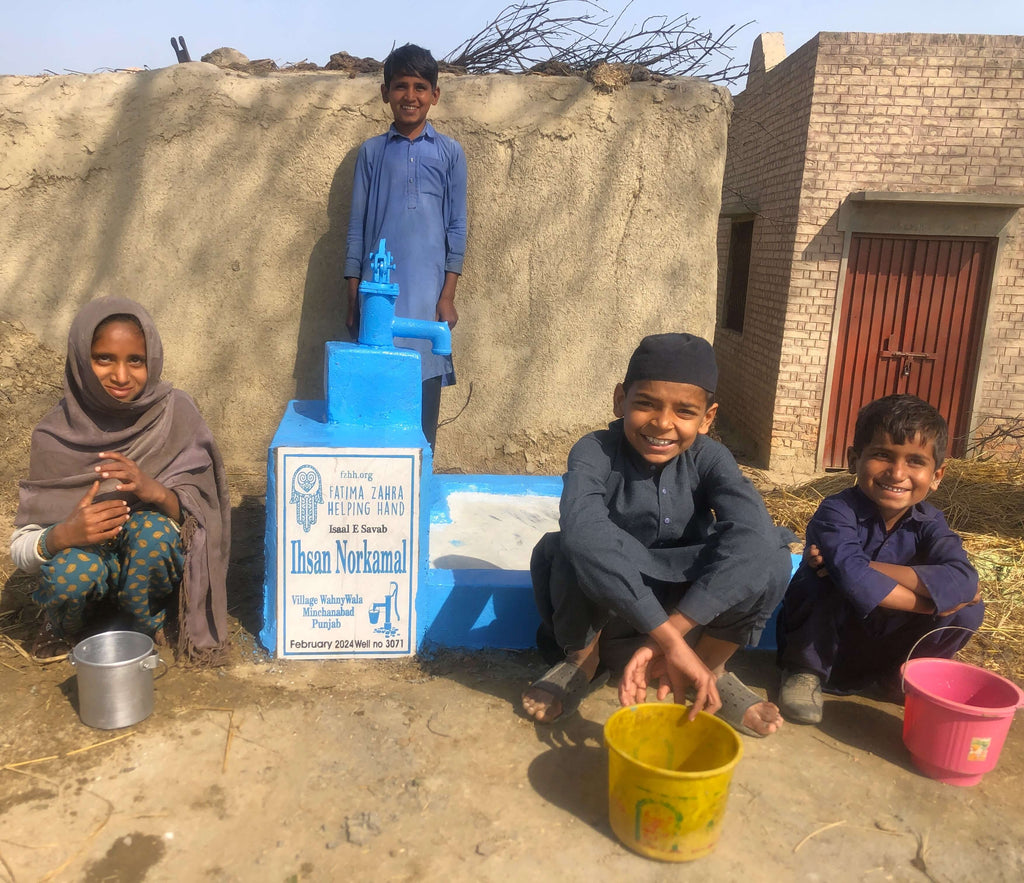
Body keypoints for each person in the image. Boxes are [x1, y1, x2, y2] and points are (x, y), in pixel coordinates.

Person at [522, 333, 796, 736]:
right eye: (646, 403)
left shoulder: (712, 457)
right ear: (620, 400)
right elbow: (585, 532)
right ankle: (583, 660)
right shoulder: (594, 449)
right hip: (612, 602)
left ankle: (709, 666)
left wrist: (670, 639)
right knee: (571, 543)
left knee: (770, 551)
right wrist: (669, 638)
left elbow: (751, 533)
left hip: (684, 605)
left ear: (707, 418)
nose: (662, 423)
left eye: (684, 411)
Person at [10, 297, 231, 663]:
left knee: (153, 534)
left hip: (146, 572)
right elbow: (20, 548)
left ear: (152, 361)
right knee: (71, 573)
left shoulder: (176, 414)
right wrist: (61, 536)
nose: (122, 376)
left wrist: (156, 492)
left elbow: (204, 517)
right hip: (85, 562)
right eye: (104, 359)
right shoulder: (53, 435)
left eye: (136, 361)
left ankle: (144, 622)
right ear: (81, 359)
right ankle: (65, 625)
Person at [777, 394, 984, 724]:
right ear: (853, 459)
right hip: (826, 644)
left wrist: (869, 566)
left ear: (937, 475)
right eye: (883, 455)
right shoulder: (837, 511)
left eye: (915, 461)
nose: (897, 472)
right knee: (824, 583)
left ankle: (900, 680)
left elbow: (964, 580)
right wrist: (931, 603)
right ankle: (804, 675)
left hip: (883, 647)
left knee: (971, 611)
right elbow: (853, 580)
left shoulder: (930, 523)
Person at [344, 43, 468, 451]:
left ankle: (419, 482)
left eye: (419, 87)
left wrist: (447, 296)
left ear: (435, 95)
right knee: (375, 397)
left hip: (427, 297)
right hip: (377, 295)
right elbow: (358, 229)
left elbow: (456, 227)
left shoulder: (449, 154)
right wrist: (353, 299)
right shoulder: (372, 153)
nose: (409, 96)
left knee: (421, 407)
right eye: (400, 87)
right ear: (385, 93)